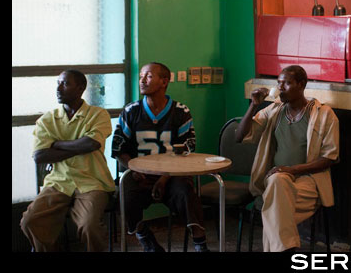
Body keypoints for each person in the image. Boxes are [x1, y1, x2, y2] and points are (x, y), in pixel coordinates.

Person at [235, 65, 339, 252]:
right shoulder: (274, 110)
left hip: (308, 184)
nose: (281, 88)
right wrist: (254, 105)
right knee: (277, 182)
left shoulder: (323, 115)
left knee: (273, 205)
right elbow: (239, 136)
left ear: (301, 84)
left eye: (287, 83)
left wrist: (292, 170)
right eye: (279, 83)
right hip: (277, 182)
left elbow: (330, 158)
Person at [111, 62, 209, 252]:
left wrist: (164, 178)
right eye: (141, 76)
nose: (142, 80)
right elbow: (118, 148)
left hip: (172, 175)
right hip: (139, 174)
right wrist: (133, 169)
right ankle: (145, 238)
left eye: (147, 76)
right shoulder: (131, 111)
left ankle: (200, 244)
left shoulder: (180, 112)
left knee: (186, 194)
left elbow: (187, 150)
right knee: (124, 195)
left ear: (164, 81)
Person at [20, 70, 115, 252]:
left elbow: (92, 144)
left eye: (64, 83)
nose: (58, 88)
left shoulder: (98, 114)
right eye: (58, 83)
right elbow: (40, 156)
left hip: (92, 182)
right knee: (29, 221)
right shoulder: (47, 120)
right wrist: (78, 146)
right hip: (58, 182)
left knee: (90, 226)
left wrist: (56, 144)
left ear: (80, 88)